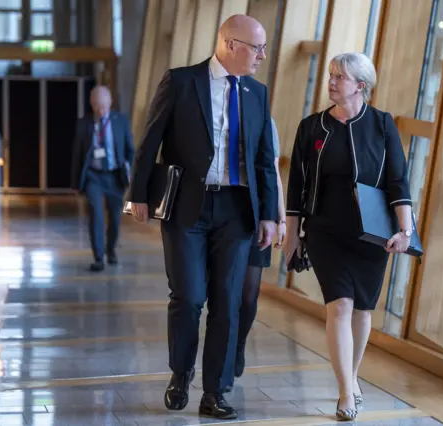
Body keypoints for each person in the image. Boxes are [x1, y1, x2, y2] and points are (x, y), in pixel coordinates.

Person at [128, 15, 278, 420]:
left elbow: (264, 159)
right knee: (189, 297)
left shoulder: (257, 94)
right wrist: (137, 195)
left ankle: (216, 392)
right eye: (256, 47)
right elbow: (150, 140)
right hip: (186, 207)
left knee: (227, 303)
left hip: (237, 210)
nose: (262, 56)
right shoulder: (181, 82)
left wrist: (271, 216)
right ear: (230, 44)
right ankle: (181, 372)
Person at [283, 52, 412, 421]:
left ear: (361, 86)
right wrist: (292, 238)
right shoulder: (311, 127)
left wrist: (405, 231)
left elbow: (398, 181)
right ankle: (345, 393)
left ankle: (352, 377)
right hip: (325, 230)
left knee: (362, 309)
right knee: (339, 305)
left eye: (341, 77)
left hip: (372, 235)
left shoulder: (383, 125)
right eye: (331, 75)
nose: (332, 82)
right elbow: (297, 187)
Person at [234, 117, 286, 381]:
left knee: (248, 295)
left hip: (257, 215)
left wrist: (281, 218)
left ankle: (238, 343)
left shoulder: (264, 118)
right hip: (222, 211)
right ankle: (222, 346)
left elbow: (273, 171)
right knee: (221, 291)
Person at [71, 85, 134, 272]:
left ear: (110, 103)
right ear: (92, 105)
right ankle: (98, 258)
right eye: (97, 106)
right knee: (96, 216)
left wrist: (127, 168)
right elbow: (77, 154)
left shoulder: (120, 121)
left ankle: (111, 250)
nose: (101, 110)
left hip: (115, 176)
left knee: (115, 217)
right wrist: (75, 183)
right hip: (94, 176)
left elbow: (130, 149)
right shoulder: (84, 124)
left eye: (104, 106)